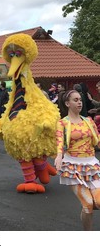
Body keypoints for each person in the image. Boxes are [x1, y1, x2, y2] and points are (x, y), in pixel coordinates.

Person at [54, 89, 100, 230]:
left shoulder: (89, 121)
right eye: (75, 100)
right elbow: (60, 142)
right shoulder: (62, 123)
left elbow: (98, 141)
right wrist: (59, 156)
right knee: (87, 205)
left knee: (98, 202)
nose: (79, 102)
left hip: (91, 165)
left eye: (80, 99)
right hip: (73, 167)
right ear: (67, 103)